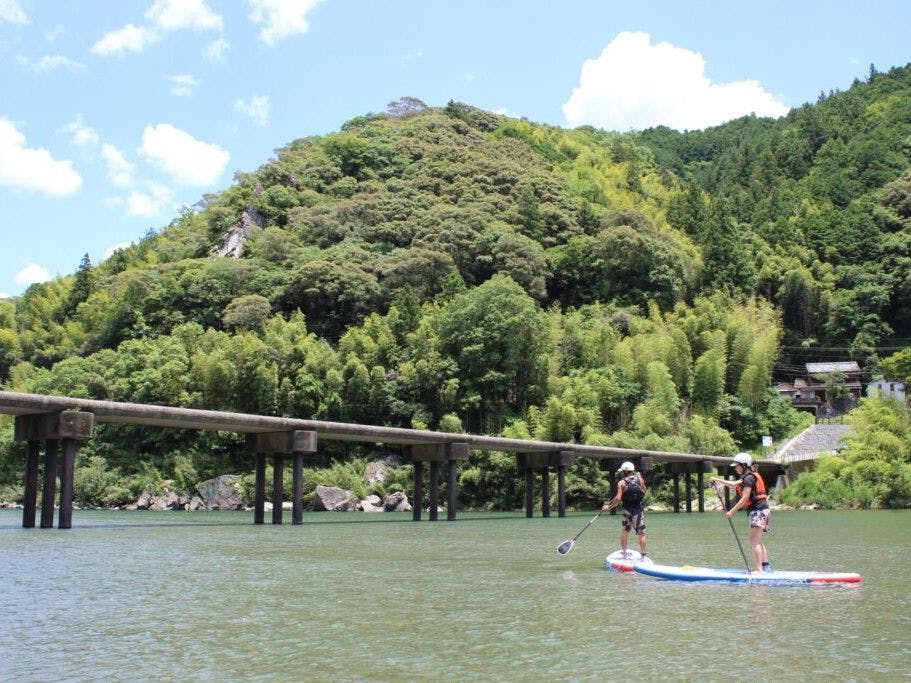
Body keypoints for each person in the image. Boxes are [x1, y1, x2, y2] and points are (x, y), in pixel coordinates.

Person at [711, 453, 771, 573]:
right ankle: (766, 567)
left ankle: (759, 570)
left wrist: (731, 512)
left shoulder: (749, 478)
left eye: (737, 465)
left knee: (754, 540)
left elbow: (744, 498)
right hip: (762, 509)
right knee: (757, 540)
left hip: (758, 510)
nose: (735, 468)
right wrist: (717, 480)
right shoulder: (748, 476)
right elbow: (733, 484)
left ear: (744, 465)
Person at [602, 461, 647, 560]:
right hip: (639, 511)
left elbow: (618, 499)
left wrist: (608, 508)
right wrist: (609, 504)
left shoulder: (621, 483)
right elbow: (644, 490)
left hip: (627, 511)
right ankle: (643, 555)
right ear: (632, 471)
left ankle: (625, 554)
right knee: (641, 532)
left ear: (624, 471)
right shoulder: (639, 480)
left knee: (625, 531)